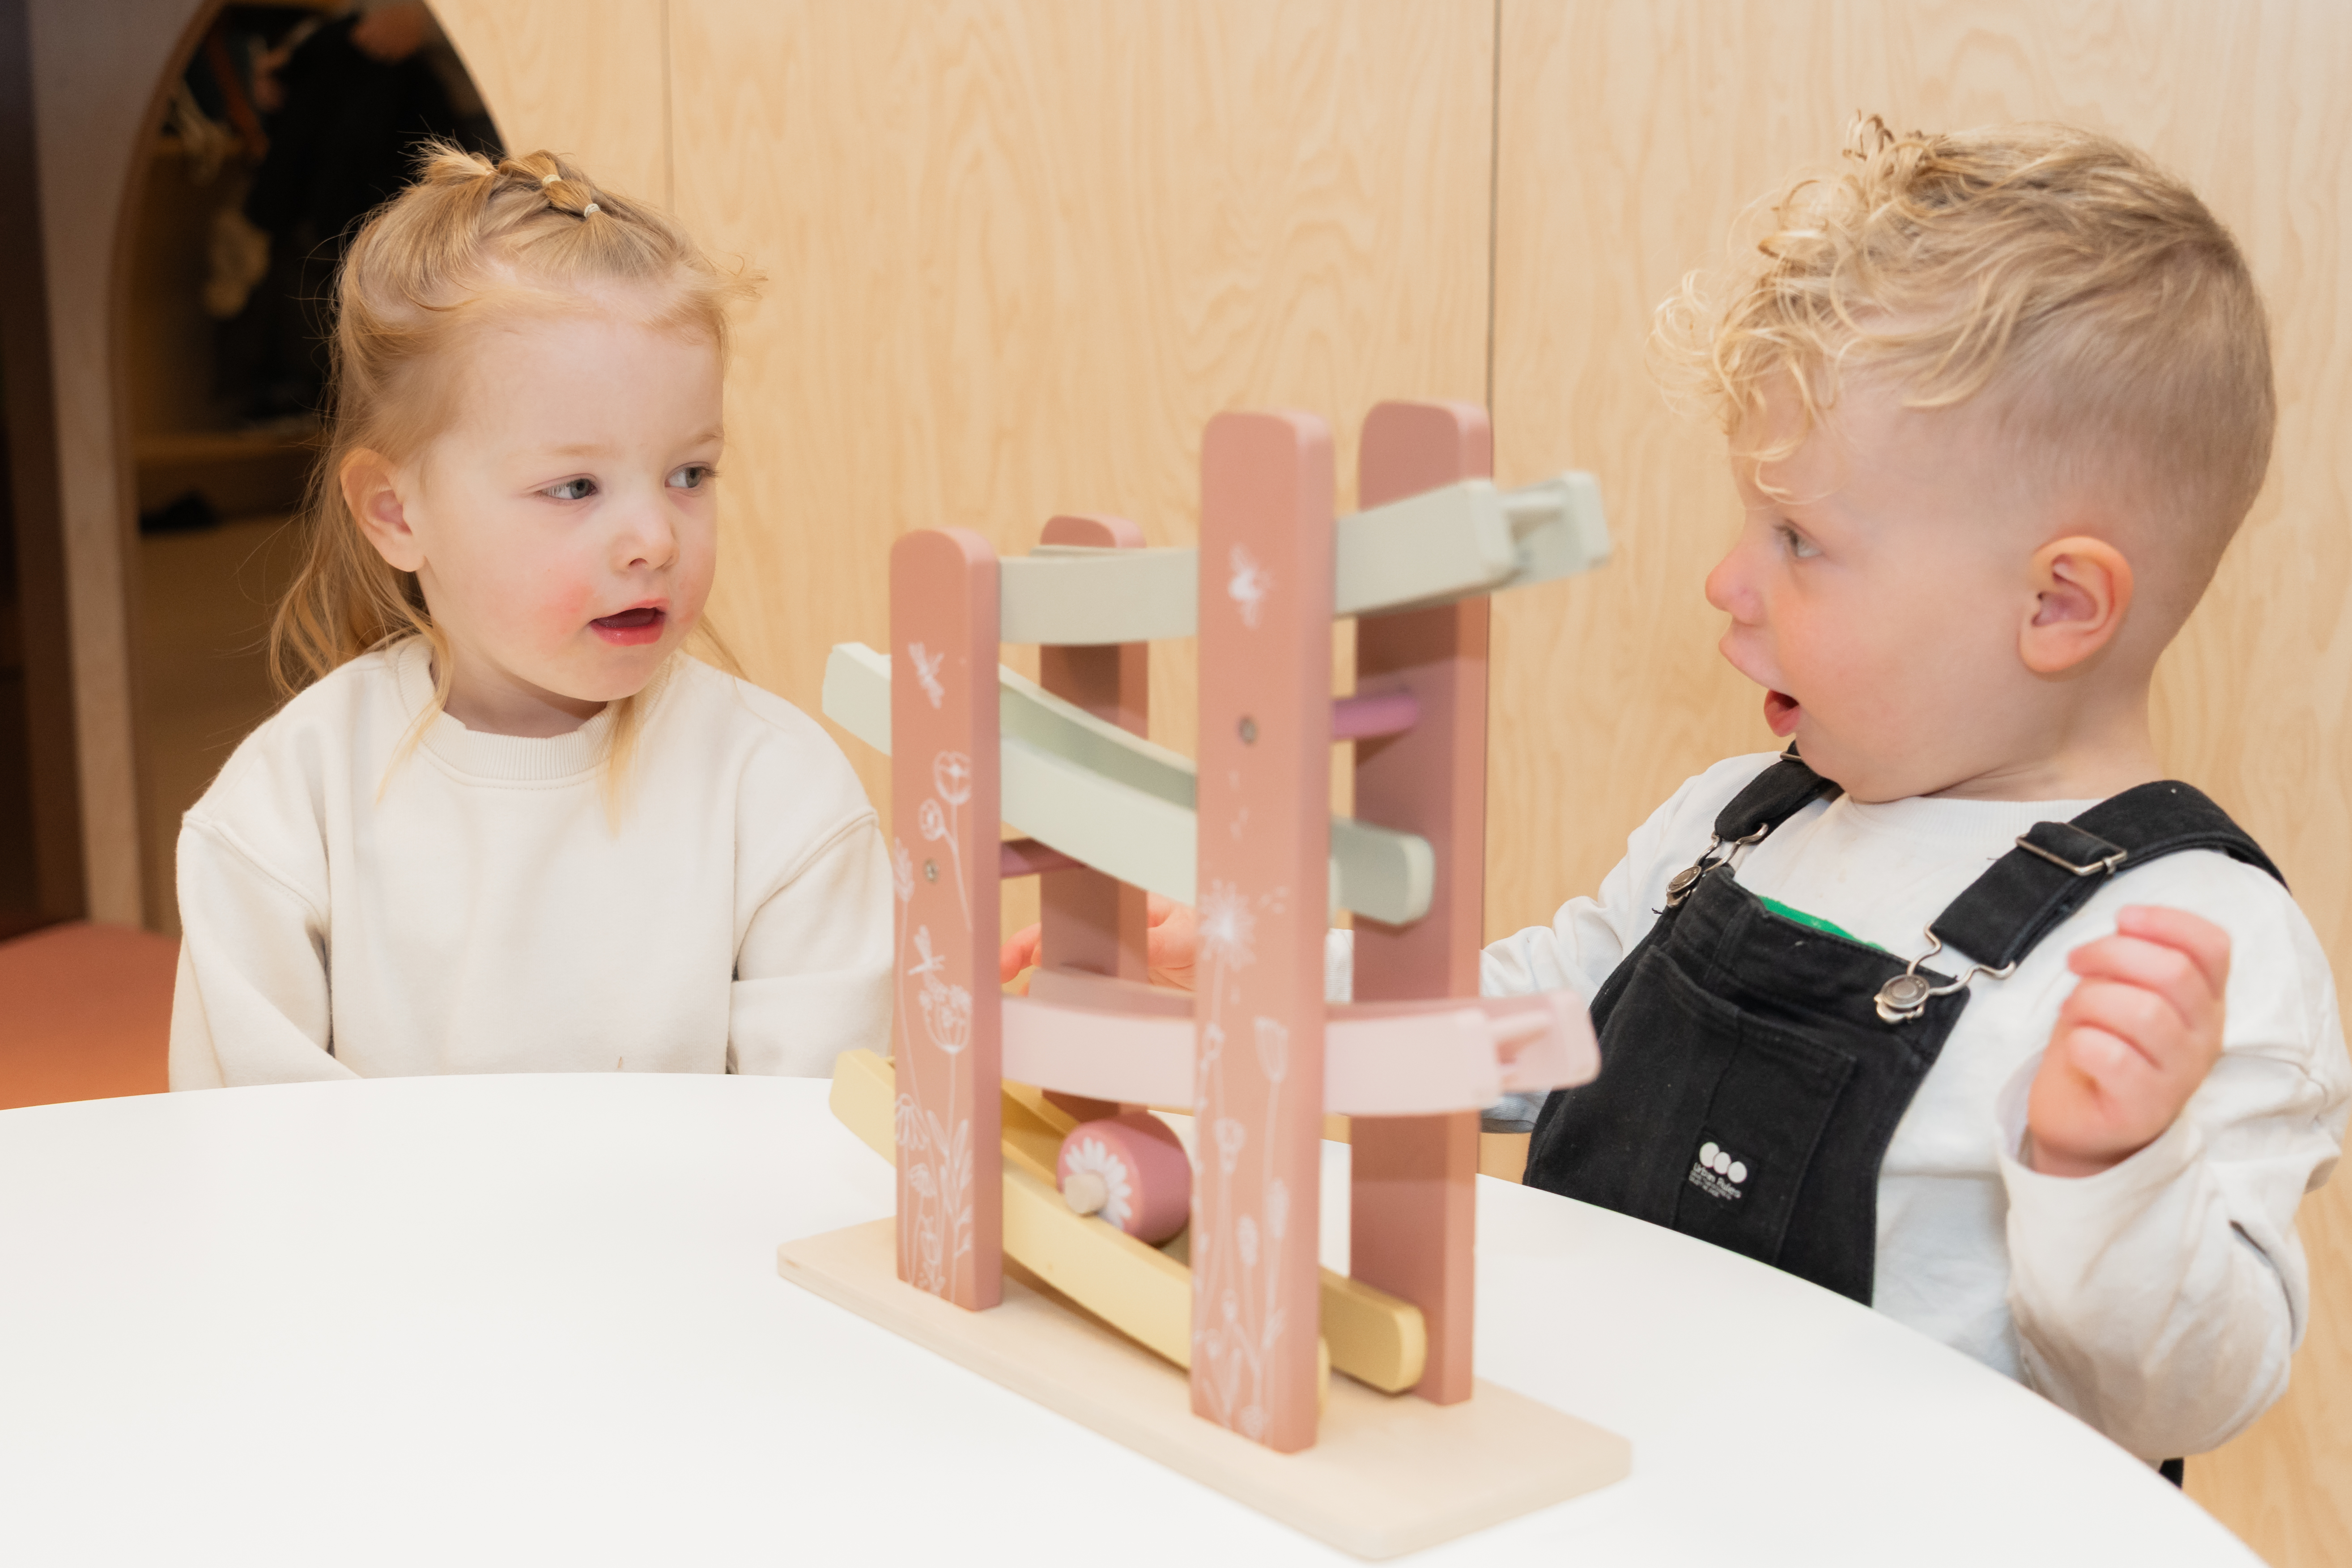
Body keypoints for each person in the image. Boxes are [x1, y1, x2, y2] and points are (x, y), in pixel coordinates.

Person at [1009, 120, 2350, 1465]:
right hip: (1605, 1490)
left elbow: (2185, 1400)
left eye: (1800, 541)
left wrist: (2112, 1174)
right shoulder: (1743, 817)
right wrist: (1250, 969)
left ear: (2057, 602)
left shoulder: (2192, 949)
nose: (1725, 580)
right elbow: (1525, 1020)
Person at [171, 147, 892, 1086]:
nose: (654, 539)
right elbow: (248, 1163)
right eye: (574, 486)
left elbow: (820, 1154)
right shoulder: (286, 806)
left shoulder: (784, 797)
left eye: (690, 474)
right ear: (396, 512)